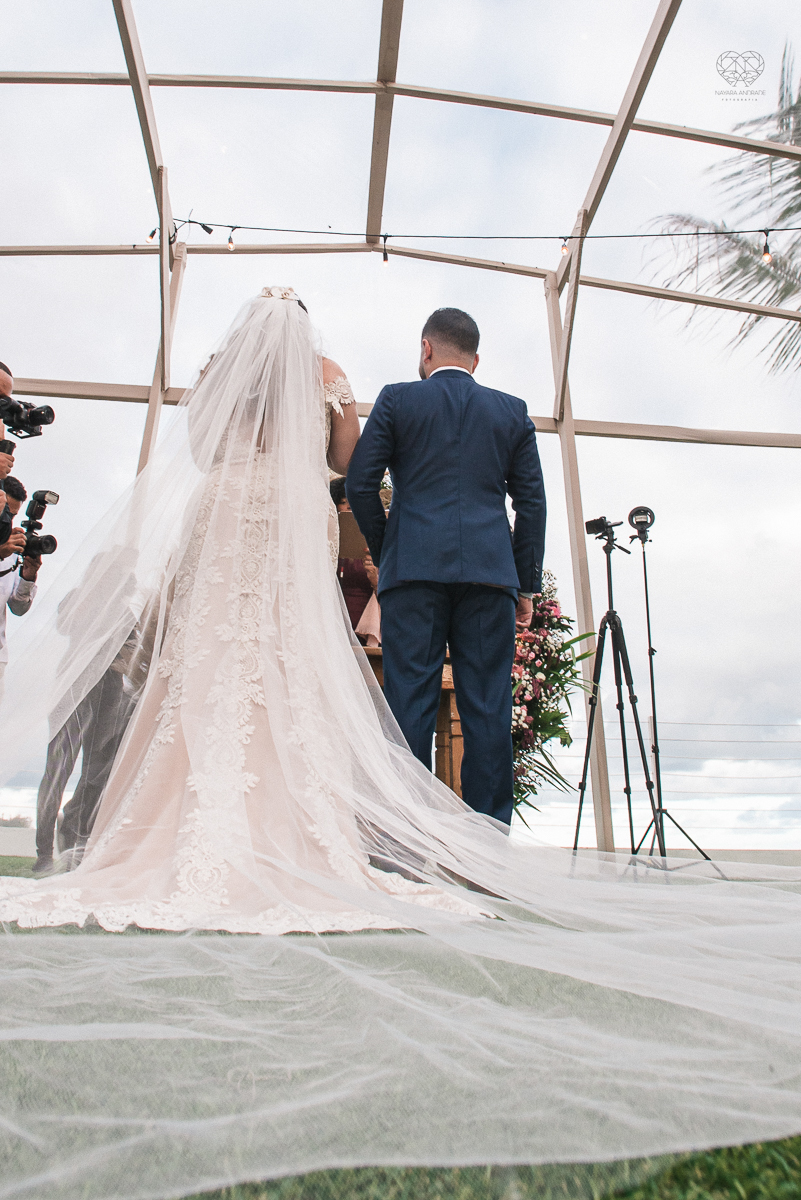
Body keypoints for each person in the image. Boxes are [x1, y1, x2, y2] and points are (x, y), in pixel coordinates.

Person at [346, 308, 546, 826]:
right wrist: (525, 587)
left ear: (426, 348)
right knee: (487, 710)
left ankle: (407, 841)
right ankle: (488, 847)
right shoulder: (511, 411)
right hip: (489, 574)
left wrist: (391, 547)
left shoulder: (397, 399)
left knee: (409, 702)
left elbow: (361, 484)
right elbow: (532, 506)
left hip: (413, 572)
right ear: (476, 360)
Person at [0, 476, 41, 687]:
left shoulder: (11, 549)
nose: (9, 522)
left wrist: (28, 576)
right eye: (6, 514)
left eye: (13, 516)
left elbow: (17, 607)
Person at [330, 475, 380, 641]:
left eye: (353, 501)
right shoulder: (325, 540)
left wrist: (375, 578)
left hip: (363, 627)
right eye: (344, 501)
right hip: (332, 622)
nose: (350, 506)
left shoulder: (374, 539)